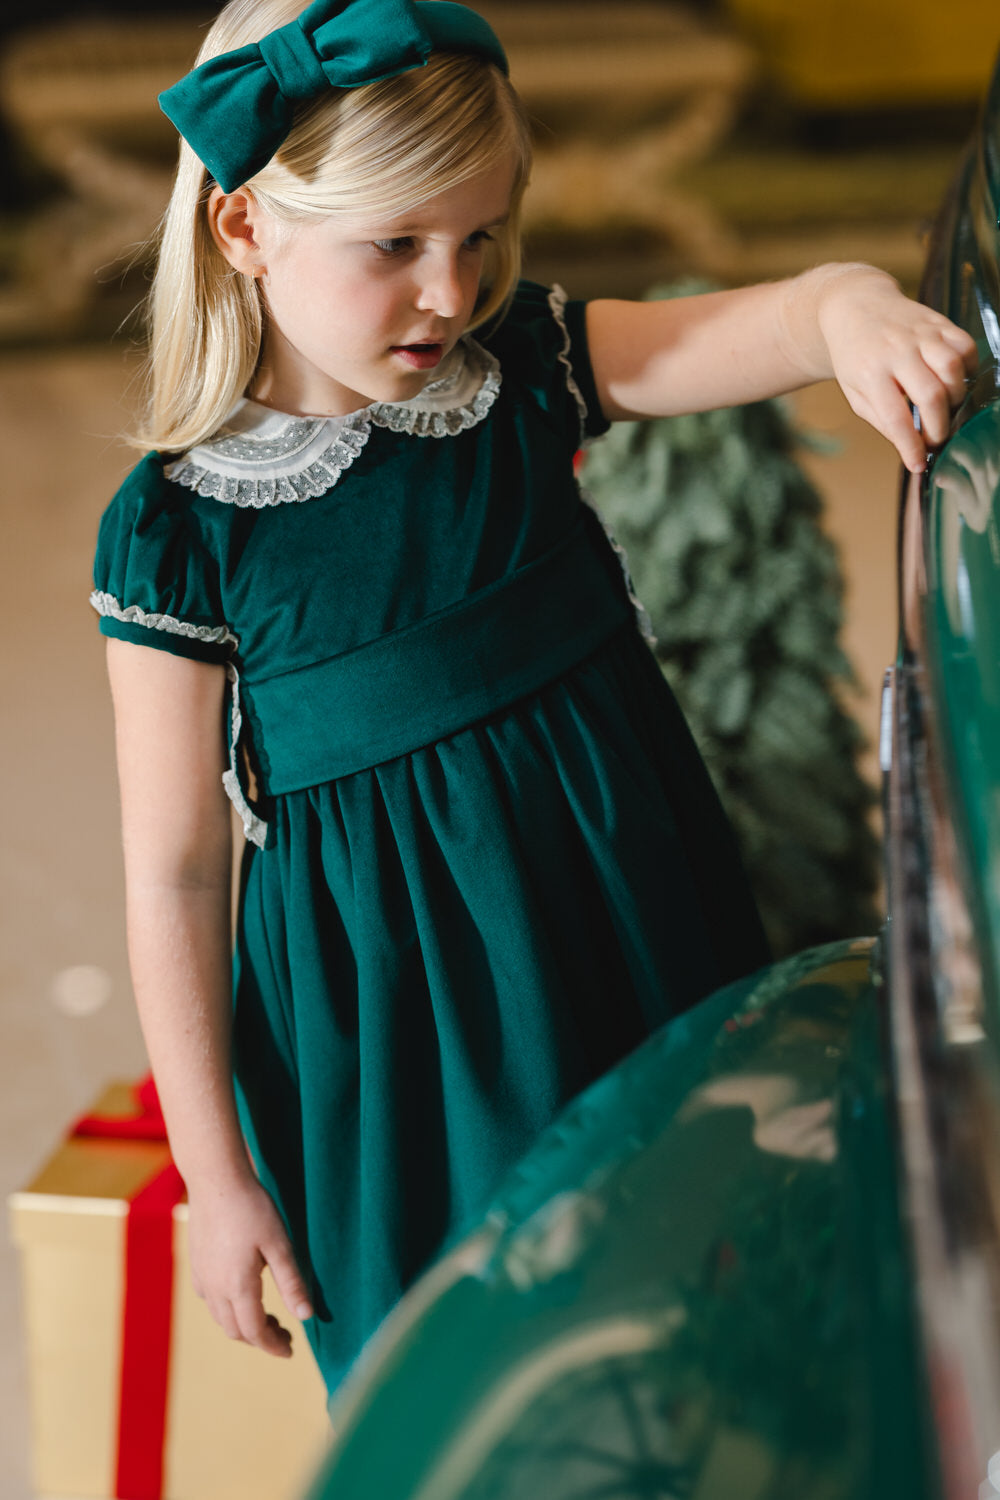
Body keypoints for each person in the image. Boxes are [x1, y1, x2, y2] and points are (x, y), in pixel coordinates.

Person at [92, 0, 976, 1399]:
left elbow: (766, 326)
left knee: (707, 1286)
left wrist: (843, 302)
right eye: (396, 245)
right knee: (476, 1369)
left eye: (484, 234)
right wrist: (217, 1177)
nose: (452, 292)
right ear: (246, 227)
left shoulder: (525, 374)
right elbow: (175, 872)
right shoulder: (180, 532)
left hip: (629, 918)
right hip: (398, 1028)